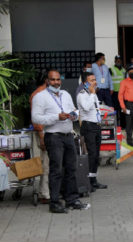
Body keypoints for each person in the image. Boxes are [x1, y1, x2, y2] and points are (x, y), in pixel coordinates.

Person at [32, 69, 89, 213]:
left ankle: (72, 199)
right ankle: (55, 202)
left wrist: (74, 115)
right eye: (53, 80)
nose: (56, 82)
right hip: (53, 136)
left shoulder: (66, 94)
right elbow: (36, 118)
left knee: (71, 168)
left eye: (58, 79)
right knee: (56, 170)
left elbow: (74, 110)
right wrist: (57, 117)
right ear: (47, 81)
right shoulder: (40, 97)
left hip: (68, 135)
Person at [77, 72, 108, 190]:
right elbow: (85, 107)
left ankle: (94, 180)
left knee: (96, 155)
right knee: (92, 154)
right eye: (91, 80)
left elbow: (96, 108)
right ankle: (87, 181)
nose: (94, 82)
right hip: (88, 126)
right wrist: (92, 94)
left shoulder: (93, 94)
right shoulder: (82, 95)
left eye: (95, 79)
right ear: (85, 83)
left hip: (96, 126)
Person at [29, 74, 50, 204]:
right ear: (46, 80)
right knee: (46, 164)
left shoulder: (42, 93)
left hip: (47, 133)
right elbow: (37, 121)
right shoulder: (38, 95)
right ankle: (44, 193)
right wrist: (42, 138)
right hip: (43, 133)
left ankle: (47, 191)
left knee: (49, 163)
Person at [110, 55, 126, 125]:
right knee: (116, 109)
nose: (118, 61)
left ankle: (123, 125)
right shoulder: (111, 69)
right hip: (115, 92)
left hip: (123, 92)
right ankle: (116, 125)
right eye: (117, 59)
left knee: (122, 108)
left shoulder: (124, 70)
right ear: (115, 61)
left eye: (119, 59)